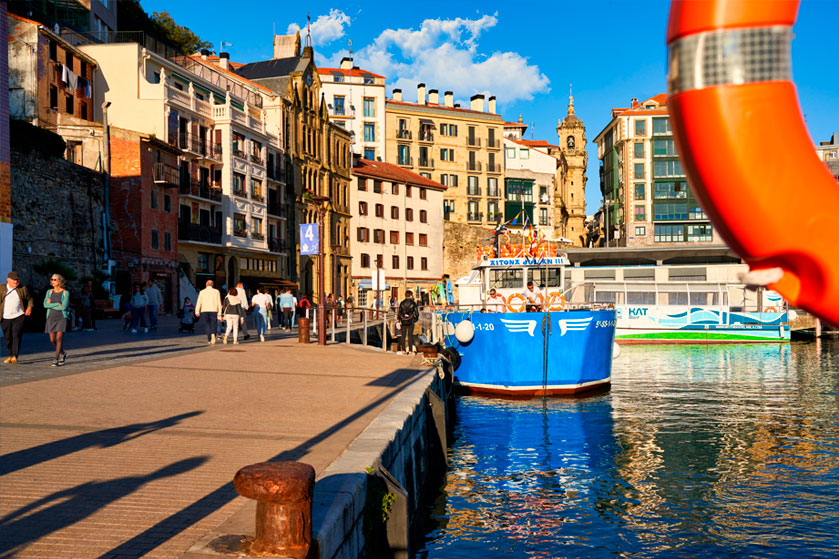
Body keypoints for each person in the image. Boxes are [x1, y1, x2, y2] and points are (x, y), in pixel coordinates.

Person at [0, 271, 34, 365]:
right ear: (8, 280)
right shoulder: (1, 288)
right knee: (7, 337)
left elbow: (30, 299)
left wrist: (29, 307)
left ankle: (15, 356)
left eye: (17, 280)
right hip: (5, 317)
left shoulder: (22, 288)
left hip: (19, 316)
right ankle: (10, 355)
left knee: (16, 335)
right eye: (14, 280)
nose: (16, 282)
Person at [43, 273, 70, 367]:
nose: (53, 281)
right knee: (52, 339)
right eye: (52, 279)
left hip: (61, 317)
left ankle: (56, 358)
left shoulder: (65, 293)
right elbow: (45, 305)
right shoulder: (49, 292)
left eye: (55, 279)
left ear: (60, 281)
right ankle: (62, 353)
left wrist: (52, 304)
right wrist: (56, 303)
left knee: (58, 338)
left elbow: (63, 307)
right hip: (51, 317)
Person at [194, 279, 222, 344]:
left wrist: (197, 311)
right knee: (214, 324)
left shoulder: (202, 292)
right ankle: (213, 334)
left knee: (207, 324)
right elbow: (219, 302)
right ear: (212, 285)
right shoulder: (216, 291)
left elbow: (199, 302)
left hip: (204, 309)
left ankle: (209, 339)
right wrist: (220, 312)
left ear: (206, 284)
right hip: (214, 310)